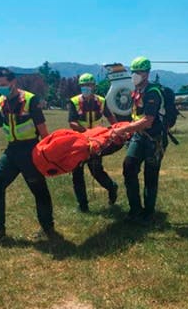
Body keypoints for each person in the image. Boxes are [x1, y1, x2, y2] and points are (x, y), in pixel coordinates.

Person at [0, 67, 56, 241]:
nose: (0, 87)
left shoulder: (30, 100)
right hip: (12, 151)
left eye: (3, 84)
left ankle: (48, 228)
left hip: (31, 151)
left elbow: (43, 129)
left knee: (39, 190)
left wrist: (48, 153)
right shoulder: (0, 102)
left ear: (13, 82)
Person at [113, 57, 167, 225]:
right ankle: (135, 209)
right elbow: (136, 117)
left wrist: (122, 130)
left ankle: (148, 213)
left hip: (154, 140)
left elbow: (148, 120)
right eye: (134, 71)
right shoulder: (136, 91)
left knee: (150, 176)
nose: (136, 75)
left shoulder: (152, 92)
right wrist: (129, 131)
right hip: (138, 137)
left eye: (140, 71)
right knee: (129, 168)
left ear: (147, 73)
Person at [68, 73, 119, 213]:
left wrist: (118, 129)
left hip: (96, 142)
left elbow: (110, 116)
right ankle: (82, 205)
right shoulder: (74, 102)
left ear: (94, 86)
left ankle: (111, 187)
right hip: (79, 142)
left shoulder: (101, 101)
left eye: (88, 85)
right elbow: (72, 121)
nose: (86, 88)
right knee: (77, 174)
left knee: (96, 171)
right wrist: (84, 131)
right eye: (83, 86)